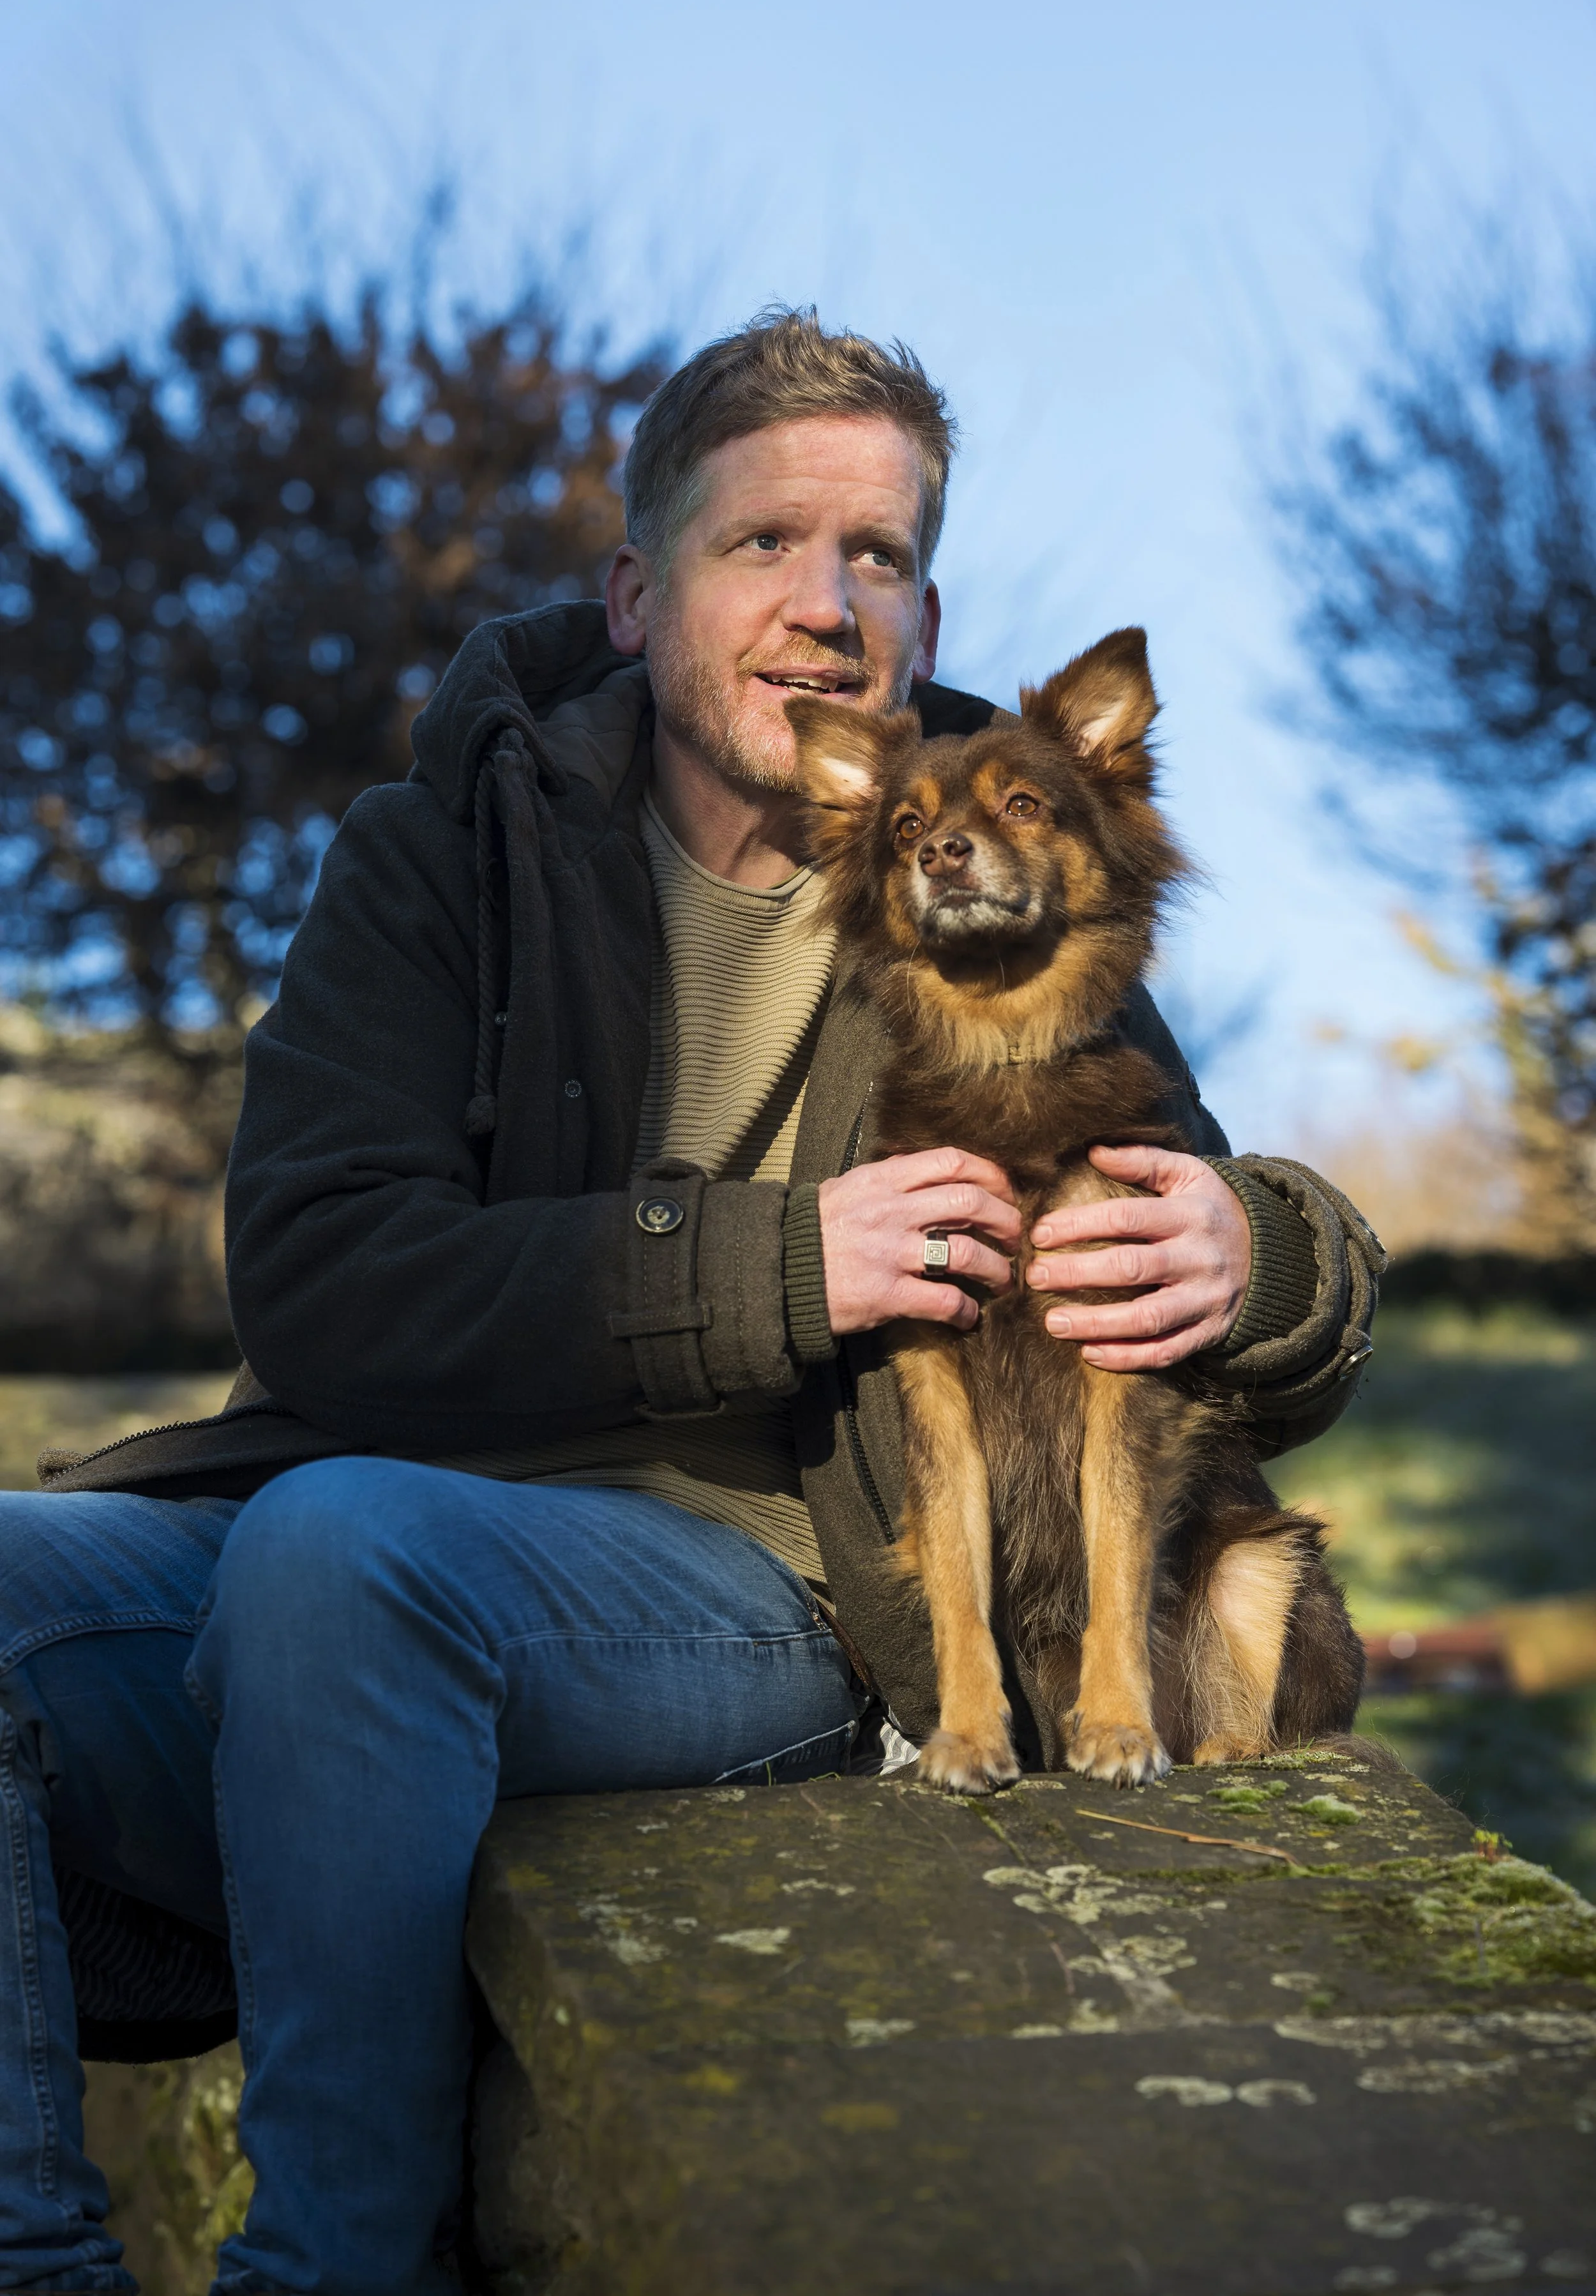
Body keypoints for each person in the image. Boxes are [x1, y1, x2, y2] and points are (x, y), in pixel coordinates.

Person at [0, 308, 1381, 2294]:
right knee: (259, 1545)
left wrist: (1267, 1261)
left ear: (921, 608)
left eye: (880, 556)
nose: (827, 603)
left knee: (342, 1550)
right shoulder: (437, 851)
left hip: (781, 1584)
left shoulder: (992, 869)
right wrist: (769, 1261)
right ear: (640, 593)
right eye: (763, 545)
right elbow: (320, 1279)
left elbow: (1191, 1238)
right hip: (380, 1520)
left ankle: (331, 2269)